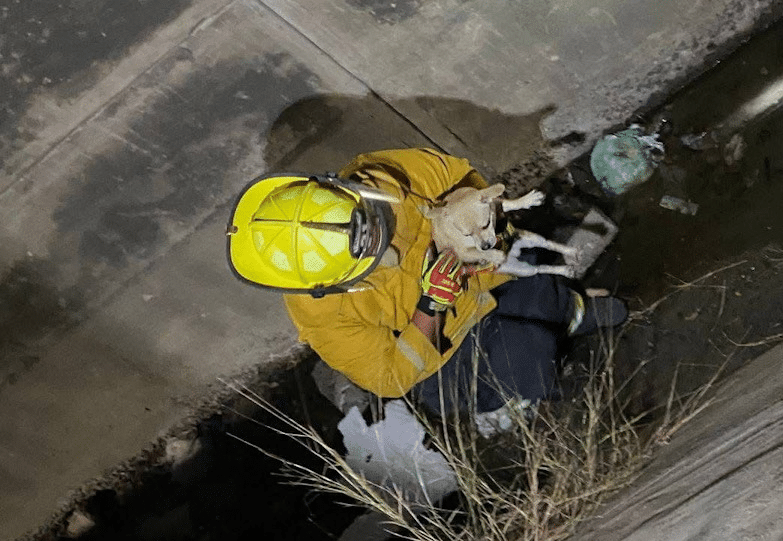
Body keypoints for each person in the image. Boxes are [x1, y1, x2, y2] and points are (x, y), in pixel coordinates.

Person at [224, 148, 626, 416]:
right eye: (371, 250)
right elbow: (389, 377)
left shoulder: (379, 177)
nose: (386, 236)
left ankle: (574, 313)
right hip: (446, 341)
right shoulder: (322, 317)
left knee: (538, 292)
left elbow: (459, 174)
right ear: (330, 281)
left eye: (373, 219)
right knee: (519, 364)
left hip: (485, 279)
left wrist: (465, 219)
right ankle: (549, 370)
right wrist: (431, 305)